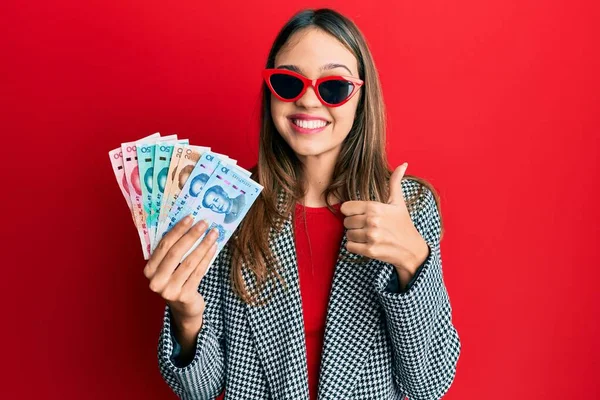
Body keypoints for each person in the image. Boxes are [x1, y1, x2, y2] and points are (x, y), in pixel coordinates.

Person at [143, 8, 461, 400]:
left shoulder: (409, 207)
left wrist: (414, 262)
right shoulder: (227, 204)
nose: (309, 101)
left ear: (361, 99)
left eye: (333, 87)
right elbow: (200, 390)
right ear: (271, 92)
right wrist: (186, 315)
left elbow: (430, 384)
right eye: (289, 83)